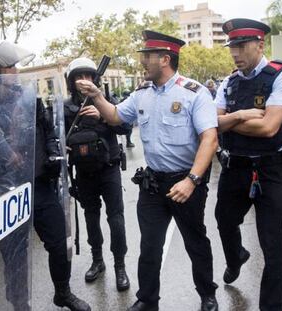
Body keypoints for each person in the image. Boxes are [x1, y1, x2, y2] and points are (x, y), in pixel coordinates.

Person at [76, 30, 219, 311]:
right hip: (153, 183)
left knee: (196, 242)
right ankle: (147, 300)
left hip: (186, 182)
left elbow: (210, 139)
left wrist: (191, 180)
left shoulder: (194, 93)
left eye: (148, 56)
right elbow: (115, 115)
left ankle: (207, 294)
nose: (143, 62)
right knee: (149, 247)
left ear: (165, 59)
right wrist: (96, 95)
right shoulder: (142, 94)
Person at [0, 41, 91, 311]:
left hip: (40, 185)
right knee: (15, 256)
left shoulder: (28, 97)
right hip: (7, 191)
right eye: (9, 66)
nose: (16, 70)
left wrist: (51, 152)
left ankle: (63, 292)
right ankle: (20, 304)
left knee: (59, 244)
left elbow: (47, 129)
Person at [214, 19, 282, 311]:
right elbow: (213, 124)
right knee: (224, 221)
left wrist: (230, 120)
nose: (235, 53)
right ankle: (236, 256)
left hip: (271, 169)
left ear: (260, 45)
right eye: (232, 47)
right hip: (235, 166)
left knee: (274, 247)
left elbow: (269, 128)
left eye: (241, 46)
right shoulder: (228, 82)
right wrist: (242, 116)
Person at [64, 57, 130, 292]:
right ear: (71, 81)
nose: (84, 80)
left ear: (95, 78)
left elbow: (125, 127)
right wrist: (63, 145)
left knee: (116, 218)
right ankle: (97, 260)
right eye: (79, 77)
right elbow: (57, 137)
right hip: (84, 173)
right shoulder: (66, 106)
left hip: (109, 168)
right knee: (91, 217)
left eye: (89, 76)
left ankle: (120, 266)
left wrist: (102, 114)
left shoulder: (106, 100)